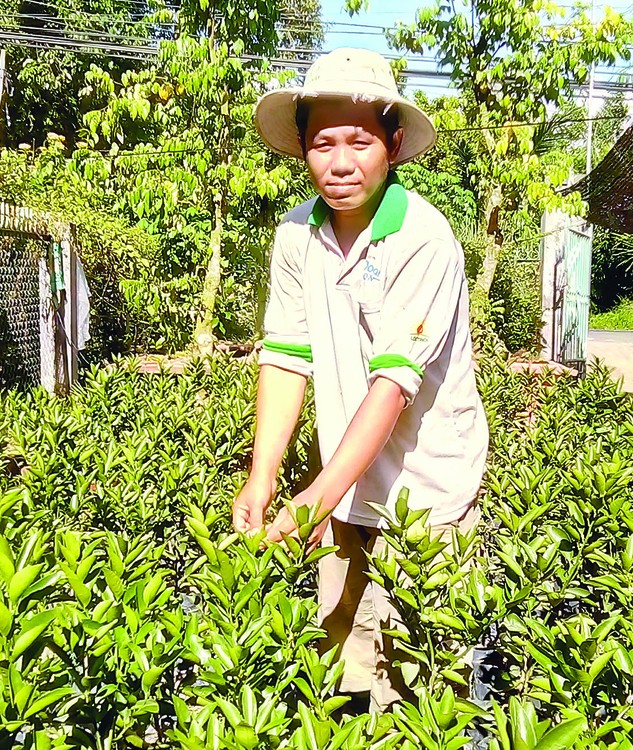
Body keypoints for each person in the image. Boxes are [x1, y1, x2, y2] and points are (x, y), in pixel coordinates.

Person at [232, 48, 489, 712]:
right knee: (343, 664)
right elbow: (287, 358)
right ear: (302, 149)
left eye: (358, 142)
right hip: (345, 487)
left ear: (393, 144)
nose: (339, 163)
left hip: (425, 494)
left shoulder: (423, 241)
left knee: (422, 679)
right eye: (322, 143)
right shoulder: (296, 235)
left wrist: (313, 497)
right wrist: (265, 473)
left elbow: (391, 388)